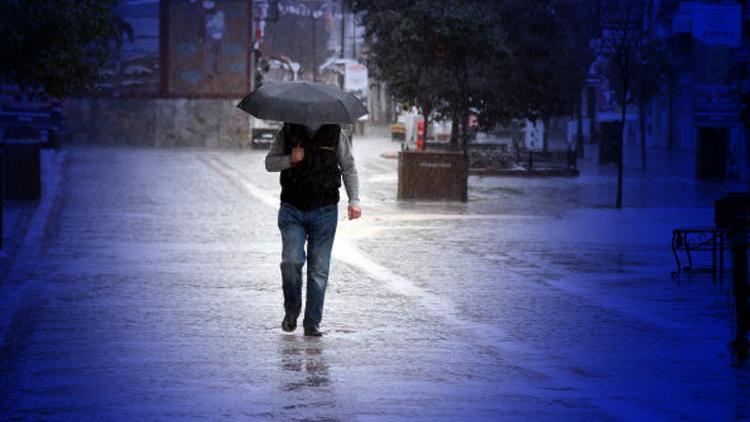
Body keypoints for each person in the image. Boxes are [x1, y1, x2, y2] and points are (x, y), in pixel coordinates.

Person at [265, 122, 361, 336]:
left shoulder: (335, 133)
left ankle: (312, 324)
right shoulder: (288, 131)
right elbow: (269, 163)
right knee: (291, 262)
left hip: (325, 210)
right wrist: (290, 159)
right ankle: (291, 312)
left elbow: (348, 167)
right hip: (292, 209)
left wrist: (354, 200)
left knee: (318, 271)